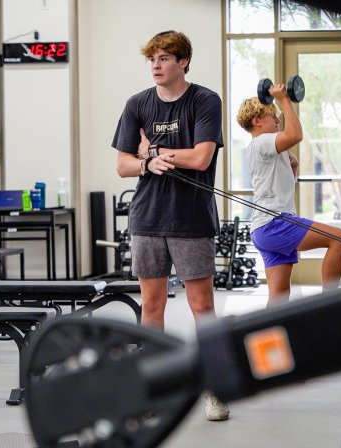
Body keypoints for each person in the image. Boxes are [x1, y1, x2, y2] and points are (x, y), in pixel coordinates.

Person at [112, 30, 229, 422]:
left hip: (191, 218)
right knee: (152, 305)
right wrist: (145, 161)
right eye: (153, 59)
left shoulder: (205, 100)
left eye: (165, 58)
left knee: (202, 306)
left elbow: (201, 158)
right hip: (147, 217)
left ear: (183, 62)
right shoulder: (137, 105)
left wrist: (157, 151)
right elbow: (123, 165)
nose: (157, 65)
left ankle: (215, 386)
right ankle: (154, 389)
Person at [236, 84, 341, 306]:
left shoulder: (258, 147)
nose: (278, 121)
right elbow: (295, 134)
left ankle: (264, 338)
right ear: (257, 121)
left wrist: (293, 168)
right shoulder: (263, 141)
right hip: (274, 224)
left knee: (278, 300)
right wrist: (284, 99)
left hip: (262, 229)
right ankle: (330, 305)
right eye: (273, 117)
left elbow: (281, 185)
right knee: (339, 238)